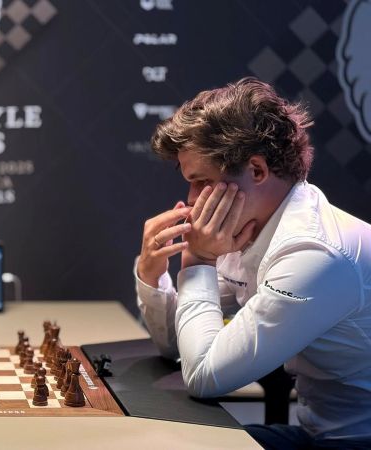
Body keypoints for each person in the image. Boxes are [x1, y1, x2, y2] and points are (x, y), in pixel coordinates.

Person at [135, 77, 371, 449]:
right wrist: (151, 274)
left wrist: (198, 260)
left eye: (201, 181)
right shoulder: (251, 228)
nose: (191, 200)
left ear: (257, 171)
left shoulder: (312, 253)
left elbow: (204, 376)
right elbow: (181, 346)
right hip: (318, 435)